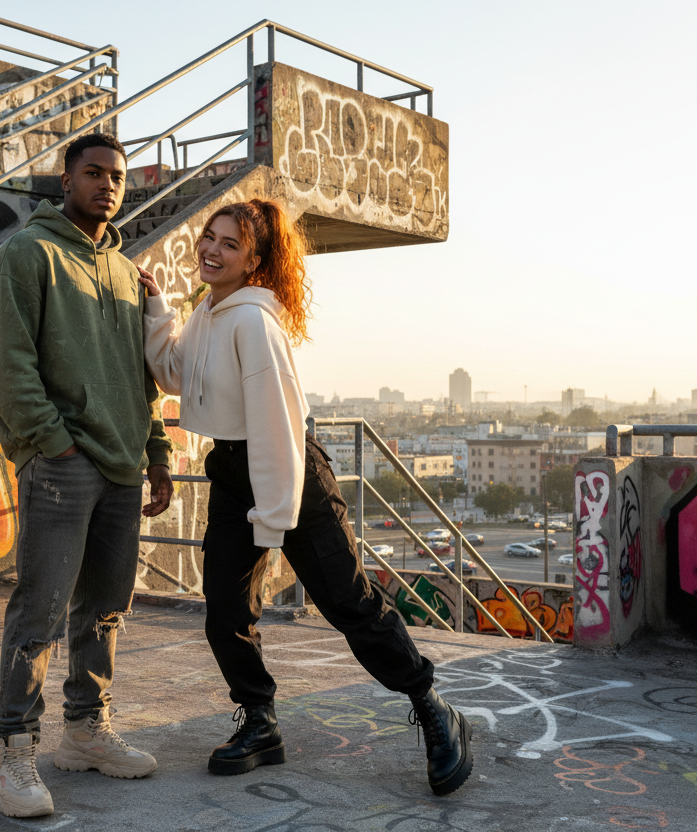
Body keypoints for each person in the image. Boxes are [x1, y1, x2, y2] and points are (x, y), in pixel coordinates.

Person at [136, 199, 473, 797]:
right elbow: (172, 374)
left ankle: (432, 706)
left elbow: (276, 428)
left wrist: (271, 521)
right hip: (236, 473)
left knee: (350, 604)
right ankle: (260, 721)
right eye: (208, 238)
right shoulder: (209, 313)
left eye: (229, 244)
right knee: (224, 610)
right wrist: (158, 306)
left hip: (292, 476)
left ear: (255, 260)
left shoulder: (253, 321)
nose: (211, 250)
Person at [0, 133, 174, 818]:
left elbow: (142, 376)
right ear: (65, 181)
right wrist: (53, 444)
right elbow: (5, 361)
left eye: (117, 176)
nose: (108, 185)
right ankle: (11, 750)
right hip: (62, 465)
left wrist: (156, 455)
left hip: (122, 466)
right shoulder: (26, 255)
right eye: (93, 173)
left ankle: (85, 732)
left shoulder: (125, 270)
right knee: (40, 612)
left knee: (106, 610)